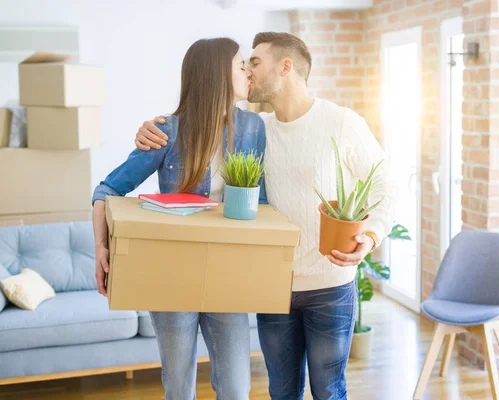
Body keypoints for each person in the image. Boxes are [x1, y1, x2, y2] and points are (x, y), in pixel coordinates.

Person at [135, 32, 397, 400]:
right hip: (274, 285)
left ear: (285, 67)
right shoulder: (256, 131)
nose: (248, 70)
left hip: (330, 285)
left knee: (329, 389)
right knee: (281, 390)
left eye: (254, 62)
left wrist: (370, 237)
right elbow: (203, 131)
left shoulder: (342, 123)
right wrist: (151, 130)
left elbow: (386, 185)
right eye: (243, 64)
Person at [92, 37, 266, 400]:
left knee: (237, 387)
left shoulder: (255, 128)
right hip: (170, 273)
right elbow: (106, 191)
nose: (247, 71)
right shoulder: (167, 131)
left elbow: (261, 203)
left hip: (228, 274)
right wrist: (101, 249)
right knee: (178, 384)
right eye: (239, 65)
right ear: (217, 75)